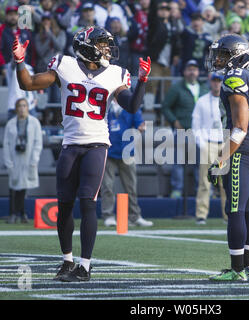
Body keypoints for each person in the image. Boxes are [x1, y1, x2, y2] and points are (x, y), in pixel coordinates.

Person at [13, 26, 151, 282]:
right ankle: (67, 261)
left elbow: (131, 105)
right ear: (86, 45)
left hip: (97, 145)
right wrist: (20, 61)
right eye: (101, 44)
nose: (107, 49)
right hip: (70, 144)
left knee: (88, 202)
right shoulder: (65, 65)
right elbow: (28, 83)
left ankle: (85, 266)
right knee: (64, 205)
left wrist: (142, 80)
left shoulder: (115, 74)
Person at [206, 34, 249, 281]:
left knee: (235, 209)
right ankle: (247, 267)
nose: (218, 59)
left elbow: (240, 127)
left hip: (243, 150)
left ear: (236, 55)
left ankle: (237, 270)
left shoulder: (234, 79)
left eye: (222, 54)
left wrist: (221, 159)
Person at [100, 103, 153, 227]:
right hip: (108, 150)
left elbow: (139, 123)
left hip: (127, 150)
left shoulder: (131, 106)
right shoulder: (106, 105)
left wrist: (141, 126)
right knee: (107, 185)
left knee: (131, 186)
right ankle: (108, 215)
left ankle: (134, 216)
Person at [162, 59, 208, 199]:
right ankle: (177, 189)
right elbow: (165, 107)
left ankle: (201, 190)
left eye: (194, 69)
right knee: (179, 161)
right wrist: (174, 121)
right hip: (182, 129)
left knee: (200, 163)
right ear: (184, 72)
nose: (192, 72)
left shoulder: (204, 88)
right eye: (189, 69)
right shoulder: (177, 88)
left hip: (200, 132)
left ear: (198, 72)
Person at [192, 72, 226, 225]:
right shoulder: (202, 101)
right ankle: (201, 214)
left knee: (225, 182)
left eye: (219, 81)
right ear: (210, 82)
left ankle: (228, 215)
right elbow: (196, 125)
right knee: (205, 181)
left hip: (225, 142)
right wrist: (202, 143)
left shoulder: (228, 99)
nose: (217, 84)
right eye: (214, 81)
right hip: (209, 142)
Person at [3, 98, 43, 224]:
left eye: (24, 106)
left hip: (28, 157)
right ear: (16, 108)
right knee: (14, 186)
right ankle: (18, 214)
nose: (22, 108)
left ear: (28, 107)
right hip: (15, 158)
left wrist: (34, 159)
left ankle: (18, 214)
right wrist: (8, 162)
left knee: (23, 187)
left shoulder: (34, 122)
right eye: (19, 106)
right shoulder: (10, 124)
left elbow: (38, 142)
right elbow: (6, 144)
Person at [180, 11, 212, 76]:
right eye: (194, 20)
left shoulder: (207, 36)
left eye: (198, 20)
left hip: (201, 66)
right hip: (186, 65)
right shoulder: (185, 33)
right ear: (191, 22)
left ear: (203, 22)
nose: (196, 22)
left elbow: (211, 53)